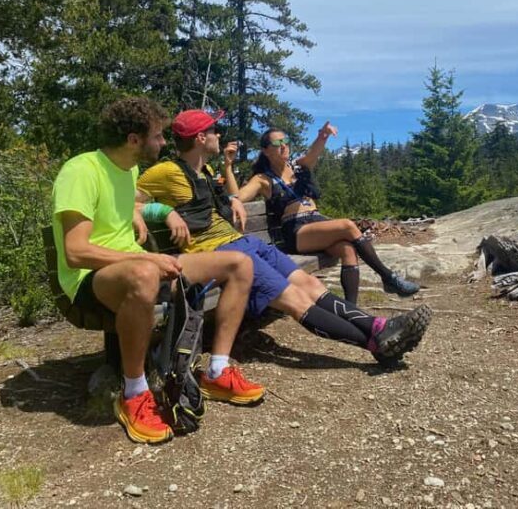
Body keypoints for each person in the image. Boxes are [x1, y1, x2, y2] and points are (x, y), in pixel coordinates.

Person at [136, 109, 431, 368]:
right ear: (201, 138)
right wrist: (160, 211)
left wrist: (233, 200)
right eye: (214, 130)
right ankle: (376, 343)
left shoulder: (206, 170)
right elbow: (125, 200)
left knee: (310, 285)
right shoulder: (166, 171)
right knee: (295, 300)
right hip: (221, 254)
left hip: (247, 244)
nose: (219, 134)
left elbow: (229, 198)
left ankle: (378, 326)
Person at [52, 97, 262, 445]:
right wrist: (147, 260)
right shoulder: (81, 170)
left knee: (239, 263)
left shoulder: (128, 171)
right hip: (89, 279)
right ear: (134, 139)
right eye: (158, 136)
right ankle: (133, 393)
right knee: (145, 274)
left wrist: (152, 211)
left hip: (133, 265)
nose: (164, 143)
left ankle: (217, 370)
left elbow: (135, 202)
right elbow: (75, 252)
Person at [227, 122, 420, 305]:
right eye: (277, 143)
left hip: (316, 223)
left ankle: (351, 310)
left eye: (286, 141)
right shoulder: (263, 179)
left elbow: (313, 153)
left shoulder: (298, 166)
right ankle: (388, 277)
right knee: (347, 225)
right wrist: (228, 167)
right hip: (295, 231)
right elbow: (238, 196)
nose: (284, 146)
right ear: (266, 150)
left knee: (347, 249)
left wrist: (323, 136)